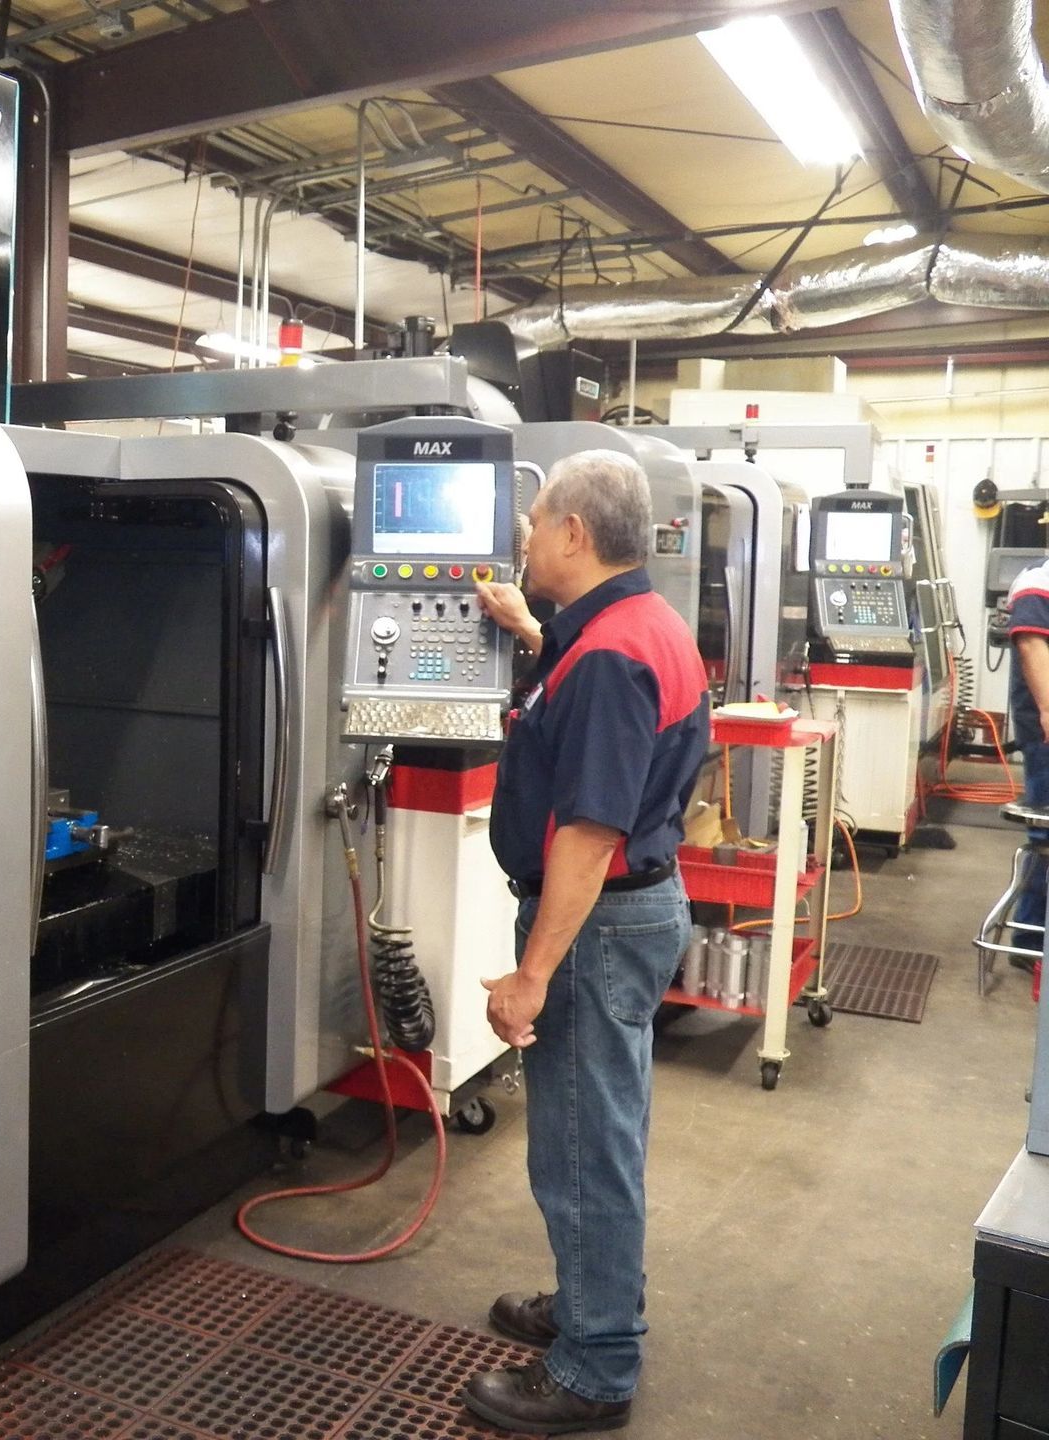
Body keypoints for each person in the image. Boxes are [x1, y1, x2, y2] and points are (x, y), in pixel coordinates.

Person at [460, 449, 709, 1435]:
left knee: (578, 1149)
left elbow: (591, 832)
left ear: (573, 531)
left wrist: (531, 974)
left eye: (535, 524)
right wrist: (529, 631)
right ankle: (588, 1302)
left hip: (596, 925)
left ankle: (595, 1369)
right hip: (635, 912)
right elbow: (589, 704)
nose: (524, 541)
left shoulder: (609, 656)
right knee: (600, 1130)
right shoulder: (635, 625)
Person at [1005, 558, 1049, 956]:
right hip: (1046, 738)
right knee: (1046, 838)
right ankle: (1032, 937)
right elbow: (1031, 643)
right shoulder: (1040, 580)